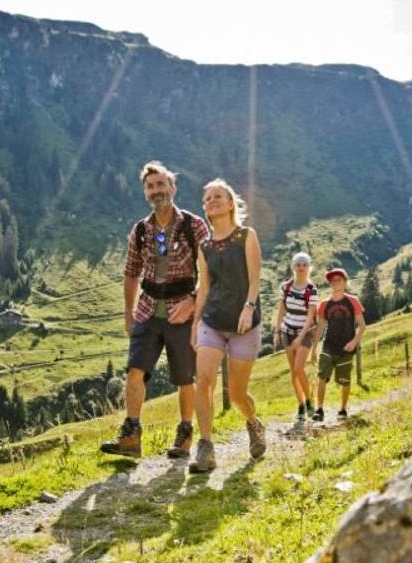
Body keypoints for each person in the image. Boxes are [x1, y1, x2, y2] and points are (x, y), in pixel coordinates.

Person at [99, 161, 209, 459]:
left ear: (172, 188)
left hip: (182, 312)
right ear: (145, 192)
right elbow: (132, 272)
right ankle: (131, 437)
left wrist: (193, 302)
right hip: (147, 311)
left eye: (161, 185)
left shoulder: (193, 225)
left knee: (185, 377)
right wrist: (128, 311)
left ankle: (185, 436)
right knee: (135, 371)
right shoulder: (140, 231)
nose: (156, 191)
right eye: (151, 187)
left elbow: (211, 271)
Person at [189, 179, 266, 473]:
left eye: (218, 196)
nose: (212, 201)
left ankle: (253, 423)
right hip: (212, 320)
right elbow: (205, 287)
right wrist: (196, 322)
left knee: (236, 394)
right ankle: (205, 448)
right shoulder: (205, 246)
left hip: (244, 324)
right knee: (204, 380)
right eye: (207, 198)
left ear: (231, 203)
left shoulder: (246, 236)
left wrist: (249, 307)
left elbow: (255, 277)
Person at [313, 267, 365, 422]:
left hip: (346, 348)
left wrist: (354, 342)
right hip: (328, 345)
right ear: (330, 284)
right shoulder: (324, 304)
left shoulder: (352, 301)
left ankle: (342, 410)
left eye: (339, 280)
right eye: (333, 280)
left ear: (345, 282)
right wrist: (313, 350)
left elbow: (362, 325)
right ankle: (319, 409)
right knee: (321, 376)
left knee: (344, 380)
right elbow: (320, 327)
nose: (335, 283)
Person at [274, 252, 319, 423]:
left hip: (305, 332)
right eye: (298, 265)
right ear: (294, 267)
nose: (301, 268)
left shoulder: (311, 290)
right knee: (294, 372)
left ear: (309, 268)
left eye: (304, 265)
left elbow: (310, 316)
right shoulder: (286, 287)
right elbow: (281, 310)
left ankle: (309, 401)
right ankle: (300, 405)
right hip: (287, 330)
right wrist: (277, 331)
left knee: (299, 368)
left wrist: (300, 337)